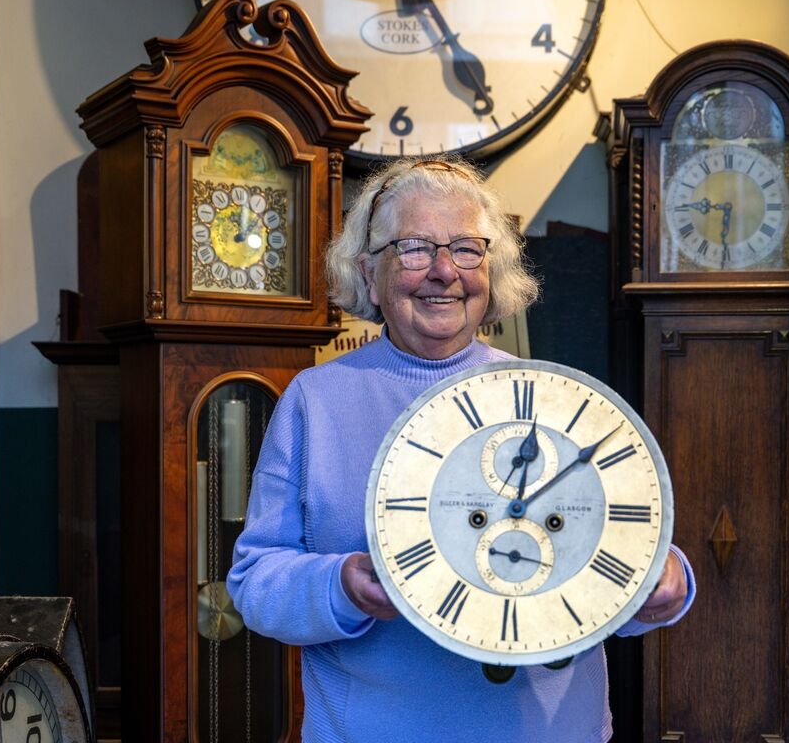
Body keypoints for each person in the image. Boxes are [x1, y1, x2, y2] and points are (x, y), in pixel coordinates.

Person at [228, 157, 695, 742]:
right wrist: (341, 584)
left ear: (492, 272)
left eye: (468, 249)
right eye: (415, 248)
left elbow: (618, 549)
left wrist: (667, 579)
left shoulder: (556, 398)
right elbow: (255, 582)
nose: (445, 271)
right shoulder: (315, 401)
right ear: (369, 274)